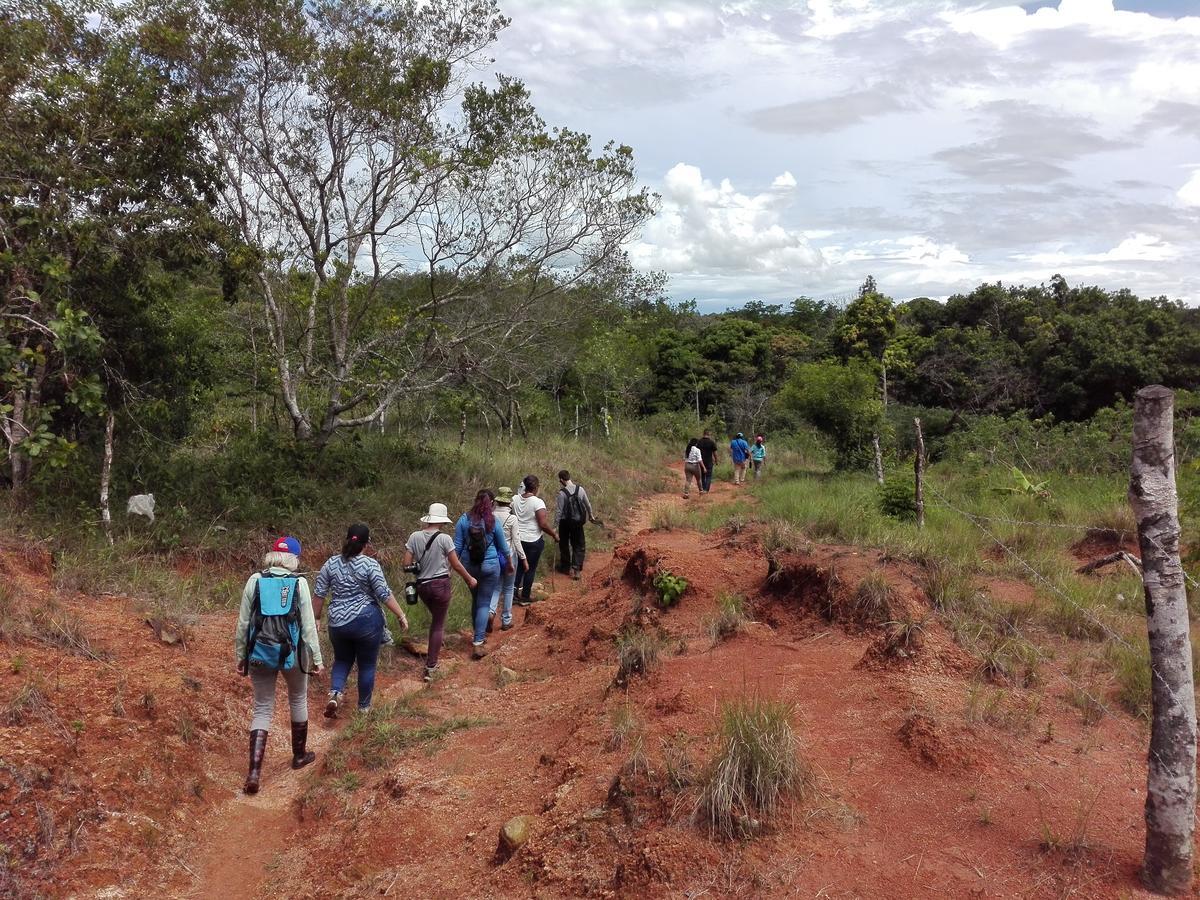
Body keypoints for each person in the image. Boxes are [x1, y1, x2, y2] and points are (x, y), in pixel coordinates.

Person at [234, 536, 323, 794]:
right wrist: (317, 660)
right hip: (292, 654)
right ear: (294, 558)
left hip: (259, 652)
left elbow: (242, 624)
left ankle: (253, 772)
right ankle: (299, 756)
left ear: (273, 555)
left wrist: (241, 655)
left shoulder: (255, 580)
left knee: (262, 707)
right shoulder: (299, 583)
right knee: (297, 698)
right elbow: (307, 625)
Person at [313, 523, 408, 718]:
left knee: (342, 659)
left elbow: (319, 593)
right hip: (366, 621)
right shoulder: (370, 564)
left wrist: (316, 618)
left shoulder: (331, 563)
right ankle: (364, 708)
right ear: (367, 544)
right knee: (366, 664)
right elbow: (384, 593)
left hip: (337, 623)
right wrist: (401, 614)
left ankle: (335, 693)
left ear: (347, 540)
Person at [403, 503, 477, 682]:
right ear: (442, 520)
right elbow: (456, 564)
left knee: (436, 620)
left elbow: (406, 565)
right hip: (440, 585)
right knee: (438, 624)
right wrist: (470, 579)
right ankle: (431, 665)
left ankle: (432, 658)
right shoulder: (445, 539)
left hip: (422, 587)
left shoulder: (414, 536)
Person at [454, 489, 513, 658]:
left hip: (469, 567)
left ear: (475, 500)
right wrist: (509, 564)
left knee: (476, 599)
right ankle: (478, 640)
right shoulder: (492, 521)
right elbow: (503, 547)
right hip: (490, 566)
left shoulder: (464, 520)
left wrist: (450, 567)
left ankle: (477, 632)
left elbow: (456, 547)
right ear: (492, 503)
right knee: (484, 602)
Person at [512, 475, 558, 606]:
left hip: (517, 539)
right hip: (533, 540)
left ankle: (514, 594)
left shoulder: (514, 499)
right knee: (530, 568)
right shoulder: (538, 503)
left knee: (519, 566)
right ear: (536, 487)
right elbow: (542, 524)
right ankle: (525, 596)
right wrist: (554, 534)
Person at [489, 487, 526, 632]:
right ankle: (506, 620)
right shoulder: (512, 518)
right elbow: (516, 541)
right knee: (509, 588)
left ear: (497, 500)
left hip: (494, 554)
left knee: (496, 587)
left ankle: (490, 612)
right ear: (509, 503)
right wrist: (523, 558)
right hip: (509, 556)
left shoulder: (491, 516)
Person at [554, 470, 598, 580]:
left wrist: (555, 527)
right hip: (578, 522)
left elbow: (559, 512)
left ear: (561, 480)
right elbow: (587, 504)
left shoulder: (562, 493)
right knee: (579, 544)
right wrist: (591, 516)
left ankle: (565, 567)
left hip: (565, 523)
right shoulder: (580, 489)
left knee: (564, 544)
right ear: (569, 477)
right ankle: (576, 569)